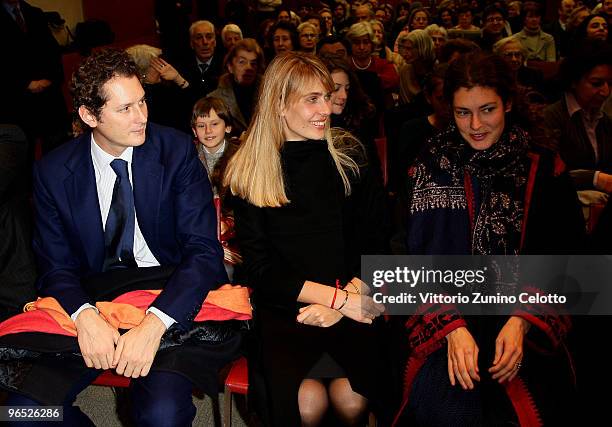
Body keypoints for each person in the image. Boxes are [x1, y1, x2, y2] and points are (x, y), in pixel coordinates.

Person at [2, 48, 236, 426]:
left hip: (171, 291)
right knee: (21, 412)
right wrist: (85, 316)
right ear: (89, 115)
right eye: (125, 109)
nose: (142, 117)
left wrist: (156, 323)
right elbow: (55, 266)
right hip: (93, 298)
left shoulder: (174, 150)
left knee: (162, 413)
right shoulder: (52, 172)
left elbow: (203, 252)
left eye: (142, 103)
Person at [395, 51, 584, 426]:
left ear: (509, 103)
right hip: (443, 321)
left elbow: (573, 261)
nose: (476, 124)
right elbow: (402, 258)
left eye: (488, 109)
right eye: (463, 112)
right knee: (449, 408)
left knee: (525, 409)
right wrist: (450, 328)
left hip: (526, 323)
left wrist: (523, 320)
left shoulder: (544, 167)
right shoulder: (429, 164)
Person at [224, 52, 390, 426]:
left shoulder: (350, 155)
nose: (326, 109)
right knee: (308, 401)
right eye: (311, 99)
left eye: (327, 97)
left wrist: (346, 300)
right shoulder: (250, 169)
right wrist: (335, 300)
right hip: (287, 307)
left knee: (351, 397)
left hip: (356, 293)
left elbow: (378, 240)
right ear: (280, 105)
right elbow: (261, 272)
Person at [543, 41, 612, 193]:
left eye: (610, 84)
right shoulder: (551, 117)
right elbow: (546, 176)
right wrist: (594, 178)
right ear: (574, 81)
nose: (606, 91)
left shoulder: (604, 120)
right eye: (596, 83)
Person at [208, 38, 265, 136]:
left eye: (253, 63)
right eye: (242, 62)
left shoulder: (269, 94)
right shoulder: (215, 99)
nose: (248, 67)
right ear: (230, 66)